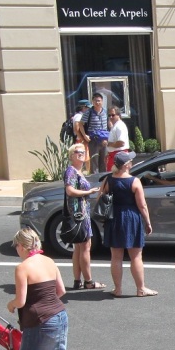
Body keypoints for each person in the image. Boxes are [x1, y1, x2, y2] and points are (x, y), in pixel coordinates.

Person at [7, 227, 68, 350]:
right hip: (59, 315)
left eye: (16, 246)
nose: (16, 250)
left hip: (39, 321)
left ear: (22, 246)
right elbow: (61, 291)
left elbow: (21, 300)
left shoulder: (23, 267)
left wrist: (11, 305)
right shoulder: (49, 261)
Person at [102, 150, 157, 297]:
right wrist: (148, 222)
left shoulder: (108, 179)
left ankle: (118, 289)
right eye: (130, 161)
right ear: (126, 165)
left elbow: (101, 197)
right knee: (136, 256)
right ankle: (141, 289)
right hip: (131, 218)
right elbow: (142, 205)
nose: (132, 163)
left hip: (114, 217)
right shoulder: (134, 181)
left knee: (116, 257)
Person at [64, 142, 104, 290]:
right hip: (79, 213)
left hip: (80, 212)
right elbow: (70, 191)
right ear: (71, 155)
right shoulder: (71, 171)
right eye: (77, 152)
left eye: (82, 151)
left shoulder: (78, 171)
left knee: (79, 248)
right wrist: (89, 192)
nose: (80, 153)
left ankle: (77, 281)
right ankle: (88, 281)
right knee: (85, 247)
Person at [82, 93, 109, 175]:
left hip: (104, 139)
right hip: (93, 139)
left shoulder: (105, 112)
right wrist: (84, 135)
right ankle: (95, 179)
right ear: (92, 102)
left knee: (104, 161)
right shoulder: (88, 112)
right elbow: (80, 124)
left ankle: (103, 178)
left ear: (102, 101)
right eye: (95, 101)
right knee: (94, 161)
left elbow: (108, 123)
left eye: (99, 101)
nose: (97, 103)